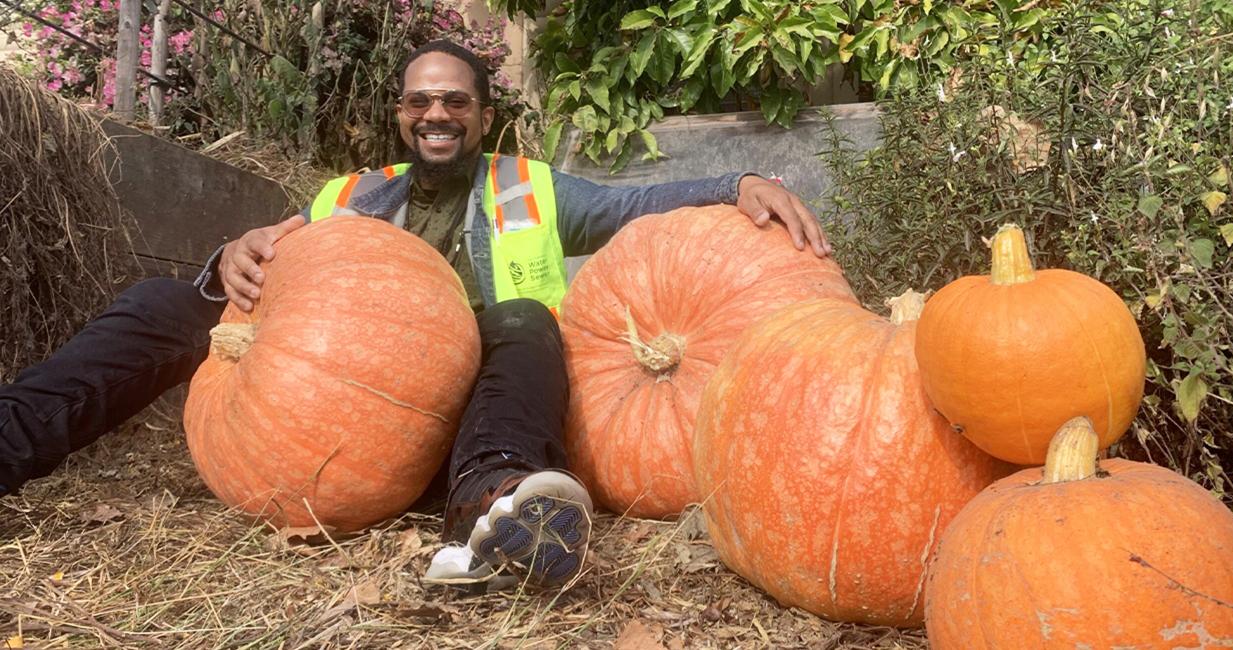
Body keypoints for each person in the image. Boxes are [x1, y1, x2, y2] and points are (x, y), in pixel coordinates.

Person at [0, 39, 831, 589]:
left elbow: (639, 203)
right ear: (402, 112)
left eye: (456, 103)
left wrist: (734, 183)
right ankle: (12, 434)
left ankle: (495, 505)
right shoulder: (348, 196)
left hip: (478, 400)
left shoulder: (530, 188)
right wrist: (233, 253)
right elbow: (281, 268)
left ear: (481, 115)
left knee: (523, 318)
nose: (437, 115)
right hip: (343, 413)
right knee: (167, 301)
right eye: (421, 102)